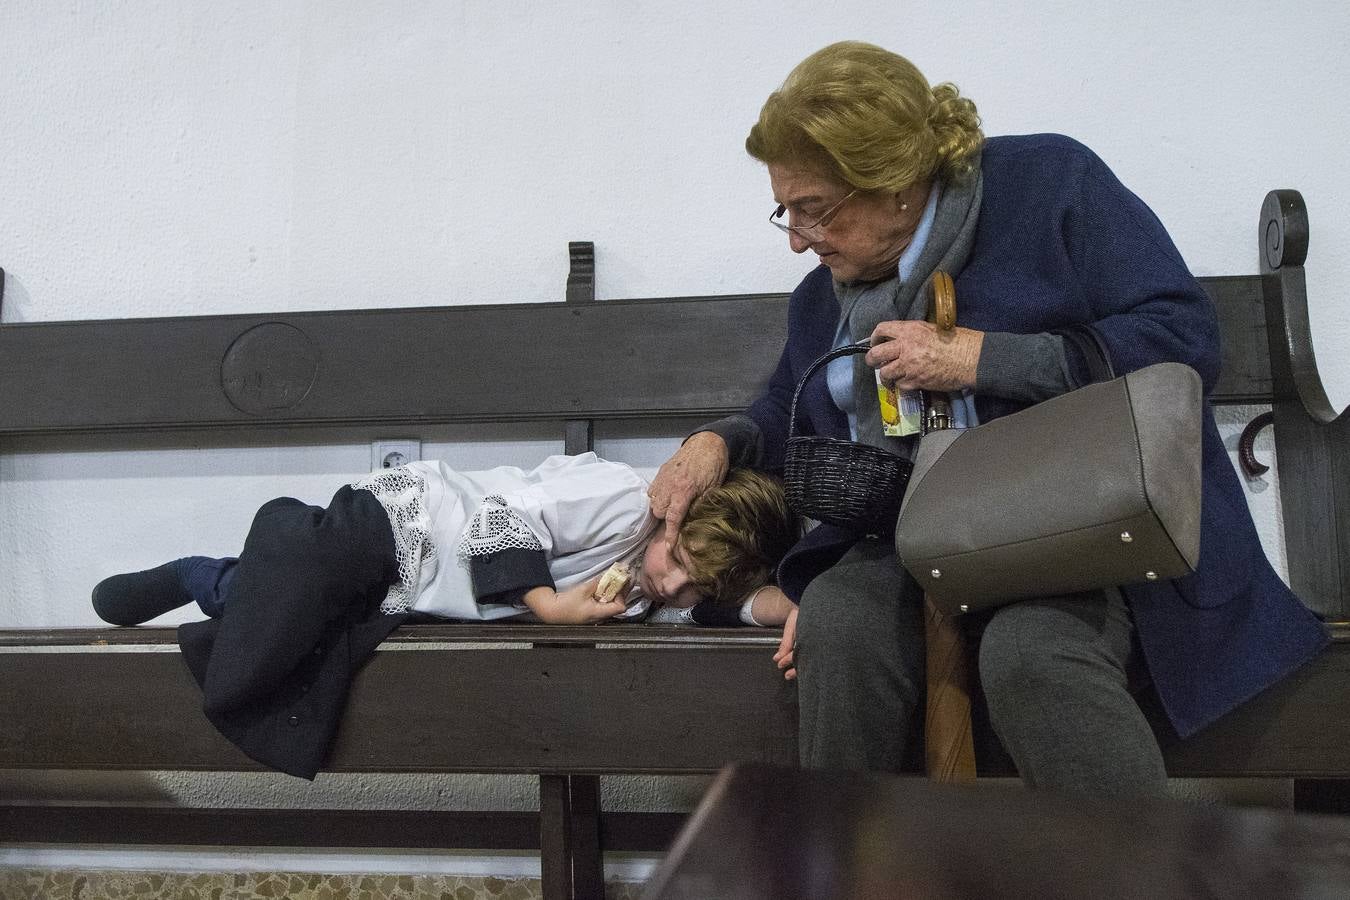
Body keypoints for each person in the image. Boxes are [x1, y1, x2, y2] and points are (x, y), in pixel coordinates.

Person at [648, 40, 1328, 798]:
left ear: (898, 186)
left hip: (1083, 527)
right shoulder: (825, 297)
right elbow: (788, 408)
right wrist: (716, 443)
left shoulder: (1051, 187)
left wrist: (985, 360)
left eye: (815, 208)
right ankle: (854, 866)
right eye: (787, 210)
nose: (799, 238)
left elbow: (1182, 338)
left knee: (1031, 652)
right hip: (918, 535)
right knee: (837, 617)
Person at [92, 454, 799, 777]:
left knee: (306, 644)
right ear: (677, 516)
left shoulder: (662, 594)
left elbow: (733, 607)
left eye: (687, 589)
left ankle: (218, 587)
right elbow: (500, 514)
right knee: (304, 575)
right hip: (409, 523)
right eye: (675, 559)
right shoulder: (625, 500)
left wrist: (793, 607)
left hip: (414, 598)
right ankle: (206, 575)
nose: (667, 582)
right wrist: (549, 606)